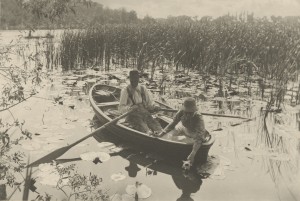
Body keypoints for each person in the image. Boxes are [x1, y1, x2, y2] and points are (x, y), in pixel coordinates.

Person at [156, 97, 211, 169]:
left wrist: (193, 154)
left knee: (184, 141)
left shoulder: (198, 117)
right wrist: (161, 133)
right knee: (166, 137)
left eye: (190, 112)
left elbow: (199, 136)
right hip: (183, 128)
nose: (188, 114)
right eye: (186, 112)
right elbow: (172, 124)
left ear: (194, 110)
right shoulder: (181, 112)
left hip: (193, 134)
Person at [119, 70, 163, 134]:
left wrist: (154, 107)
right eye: (132, 79)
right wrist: (129, 108)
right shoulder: (125, 90)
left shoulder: (143, 88)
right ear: (130, 78)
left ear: (138, 78)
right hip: (133, 116)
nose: (134, 81)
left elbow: (149, 104)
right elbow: (121, 108)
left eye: (136, 78)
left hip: (145, 114)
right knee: (147, 131)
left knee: (159, 129)